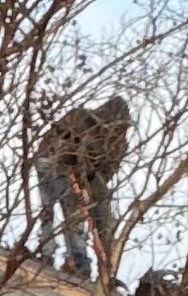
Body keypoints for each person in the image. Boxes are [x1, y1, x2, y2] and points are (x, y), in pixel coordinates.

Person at [33, 96, 131, 283]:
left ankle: (81, 263)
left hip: (77, 176)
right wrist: (59, 161)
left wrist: (86, 187)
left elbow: (107, 171)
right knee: (50, 211)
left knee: (76, 215)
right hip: (51, 164)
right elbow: (54, 140)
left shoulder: (118, 144)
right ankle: (50, 253)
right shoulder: (81, 117)